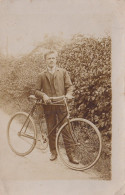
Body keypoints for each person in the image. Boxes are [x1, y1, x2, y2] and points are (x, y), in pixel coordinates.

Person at [35, 50, 79, 164]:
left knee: (66, 130)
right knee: (51, 129)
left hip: (61, 105)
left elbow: (69, 86)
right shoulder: (41, 75)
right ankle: (53, 152)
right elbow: (35, 91)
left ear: (56, 59)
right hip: (49, 106)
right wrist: (43, 95)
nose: (51, 60)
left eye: (53, 58)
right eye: (49, 58)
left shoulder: (63, 72)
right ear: (45, 61)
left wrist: (69, 94)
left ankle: (70, 155)